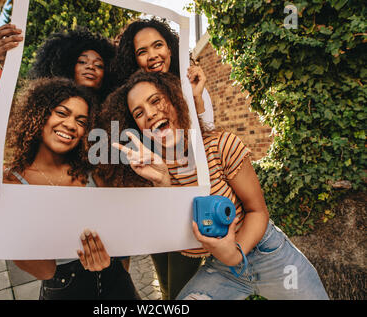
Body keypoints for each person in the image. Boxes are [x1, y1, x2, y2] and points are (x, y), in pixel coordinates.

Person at [100, 70, 329, 300]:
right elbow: (176, 236)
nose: (149, 113)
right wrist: (163, 182)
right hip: (221, 269)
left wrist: (235, 253)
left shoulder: (221, 146)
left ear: (176, 99)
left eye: (156, 100)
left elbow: (258, 211)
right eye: (138, 113)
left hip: (267, 253)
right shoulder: (147, 172)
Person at [0, 77, 140, 300]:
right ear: (40, 114)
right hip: (65, 289)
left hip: (118, 286)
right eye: (62, 113)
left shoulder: (93, 172)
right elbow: (44, 270)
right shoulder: (13, 182)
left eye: (81, 121)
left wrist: (115, 260)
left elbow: (123, 228)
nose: (71, 125)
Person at [112, 18, 215, 132]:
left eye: (158, 45)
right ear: (134, 60)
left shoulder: (193, 89)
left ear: (169, 49)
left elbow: (208, 138)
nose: (152, 55)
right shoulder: (130, 102)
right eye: (142, 52)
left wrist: (196, 99)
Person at [0, 24, 116, 101]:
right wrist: (7, 65)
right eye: (82, 61)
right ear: (67, 67)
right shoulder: (41, 106)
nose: (91, 66)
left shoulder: (112, 114)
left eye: (99, 65)